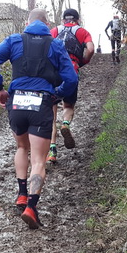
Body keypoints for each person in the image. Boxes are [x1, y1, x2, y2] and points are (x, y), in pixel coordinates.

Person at [0, 8, 78, 229]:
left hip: (16, 101)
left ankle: (22, 194)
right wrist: (57, 94)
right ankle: (32, 209)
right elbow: (72, 78)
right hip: (41, 102)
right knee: (38, 159)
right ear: (47, 23)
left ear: (28, 22)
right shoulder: (55, 45)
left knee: (21, 148)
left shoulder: (14, 40)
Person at [47, 8, 95, 164]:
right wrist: (83, 61)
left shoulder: (54, 31)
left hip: (53, 72)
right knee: (68, 105)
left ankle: (52, 151)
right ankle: (66, 124)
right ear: (77, 19)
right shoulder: (82, 32)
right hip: (71, 70)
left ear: (63, 20)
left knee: (51, 114)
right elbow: (91, 49)